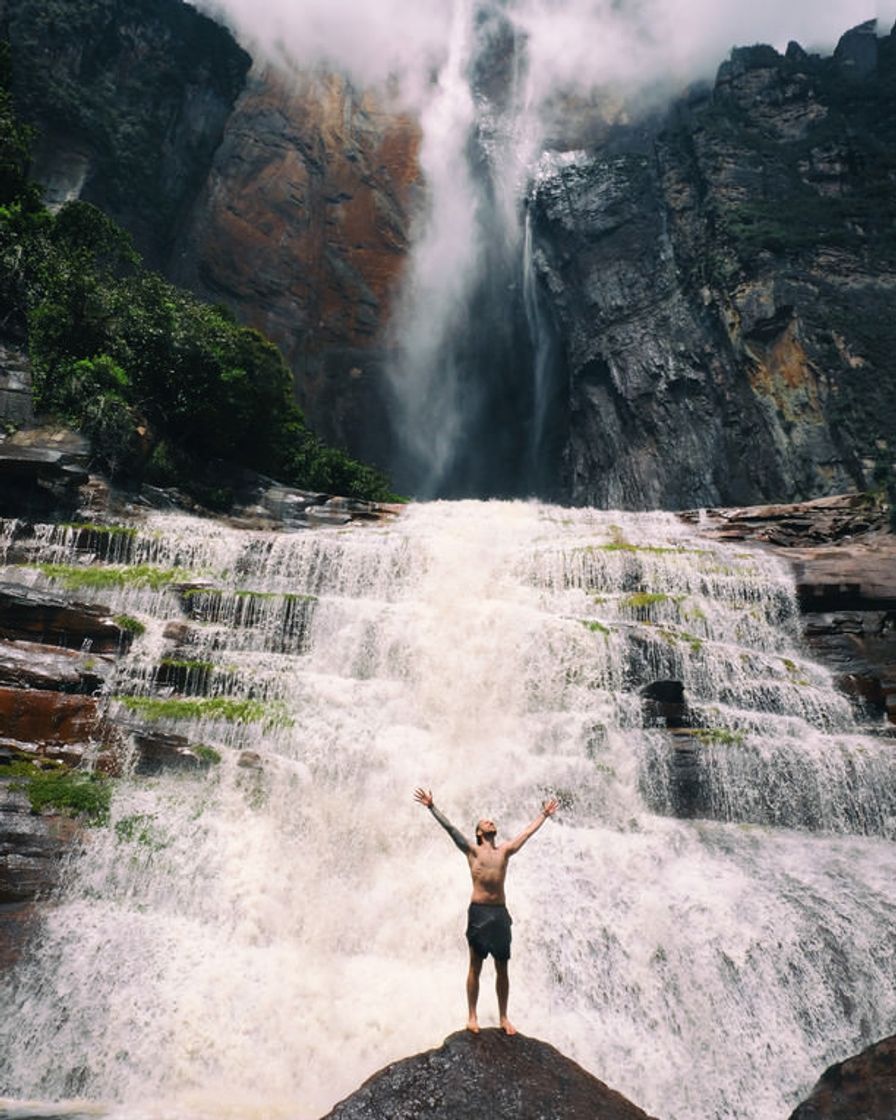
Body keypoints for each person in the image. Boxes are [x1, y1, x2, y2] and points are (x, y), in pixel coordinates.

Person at [414, 787, 558, 1035]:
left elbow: (526, 833)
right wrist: (431, 807)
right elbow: (451, 830)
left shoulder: (505, 851)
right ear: (480, 832)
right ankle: (472, 1016)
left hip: (500, 914)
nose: (491, 821)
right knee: (475, 966)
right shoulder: (472, 851)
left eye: (492, 821)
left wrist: (543, 815)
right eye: (485, 822)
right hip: (479, 912)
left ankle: (504, 1017)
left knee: (502, 967)